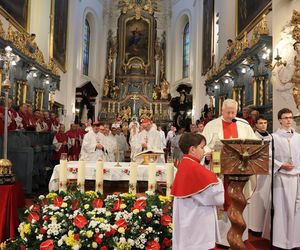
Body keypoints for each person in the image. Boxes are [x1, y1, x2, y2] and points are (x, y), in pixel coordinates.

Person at [202, 98, 257, 246]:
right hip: (219, 171)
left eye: (233, 112)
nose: (231, 115)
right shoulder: (211, 125)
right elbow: (205, 146)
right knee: (222, 200)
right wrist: (207, 153)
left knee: (238, 200)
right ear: (221, 110)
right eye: (228, 112)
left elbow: (254, 144)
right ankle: (221, 238)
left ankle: (239, 235)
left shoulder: (243, 124)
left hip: (240, 170)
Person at [171, 132, 224, 250]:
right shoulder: (192, 167)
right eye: (201, 147)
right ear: (192, 149)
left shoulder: (186, 164)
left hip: (189, 218)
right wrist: (218, 179)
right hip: (197, 220)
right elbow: (216, 196)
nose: (204, 150)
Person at [262, 108, 300, 249]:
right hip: (281, 178)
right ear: (279, 120)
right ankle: (280, 241)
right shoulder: (273, 137)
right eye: (285, 118)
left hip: (295, 178)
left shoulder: (298, 138)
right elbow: (267, 157)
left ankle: (294, 240)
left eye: (290, 117)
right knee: (281, 210)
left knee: (295, 209)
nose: (289, 120)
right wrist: (281, 165)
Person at [248, 115, 271, 234]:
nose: (263, 125)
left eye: (265, 122)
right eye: (261, 123)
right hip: (257, 172)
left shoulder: (271, 136)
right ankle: (254, 226)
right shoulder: (253, 137)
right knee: (256, 198)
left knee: (266, 198)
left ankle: (263, 226)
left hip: (269, 171)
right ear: (256, 124)